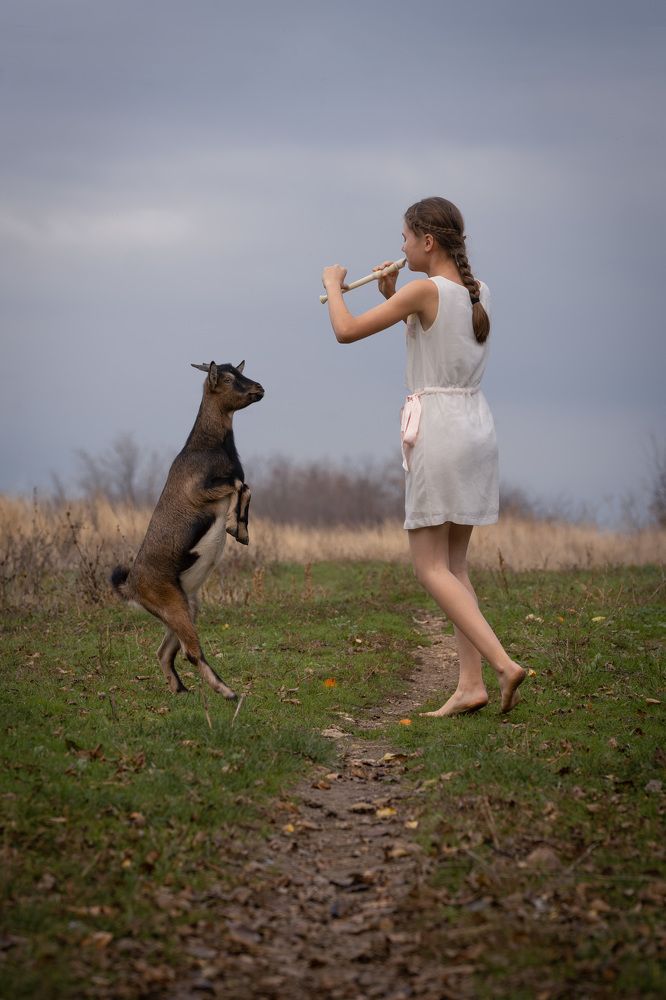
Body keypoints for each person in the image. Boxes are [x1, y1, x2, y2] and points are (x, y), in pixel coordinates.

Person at [321, 196, 525, 716]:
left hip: (440, 433)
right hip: (475, 427)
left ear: (427, 242)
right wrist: (396, 297)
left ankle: (503, 664)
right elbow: (435, 355)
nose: (402, 247)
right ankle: (470, 685)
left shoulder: (423, 291)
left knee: (430, 567)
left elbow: (345, 331)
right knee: (455, 565)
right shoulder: (477, 294)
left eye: (406, 238)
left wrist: (332, 286)